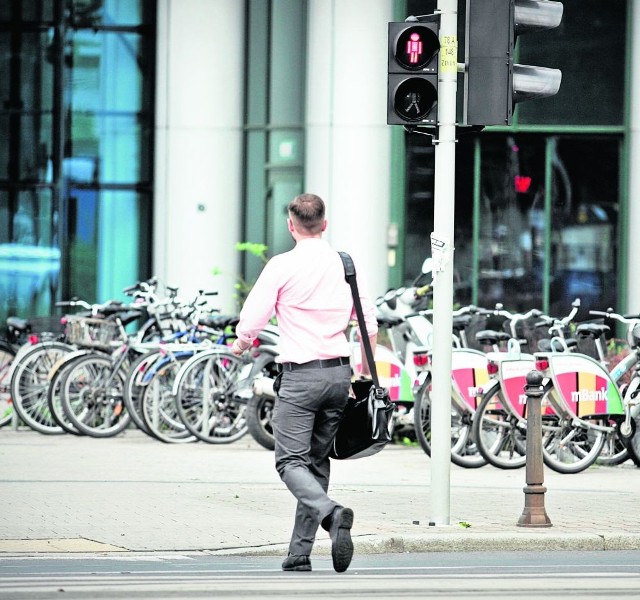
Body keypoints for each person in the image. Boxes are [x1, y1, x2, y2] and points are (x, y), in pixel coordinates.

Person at [231, 193, 378, 573]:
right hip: (338, 373)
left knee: (290, 461)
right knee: (316, 460)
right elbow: (369, 326)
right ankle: (299, 554)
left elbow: (251, 322)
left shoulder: (282, 266)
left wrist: (241, 344)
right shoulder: (345, 264)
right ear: (324, 224)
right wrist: (359, 372)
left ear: (290, 225)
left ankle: (331, 515)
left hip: (300, 377)